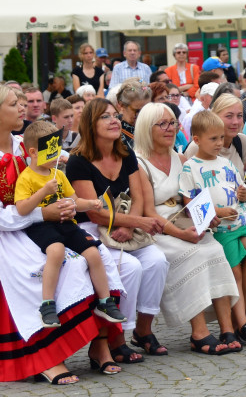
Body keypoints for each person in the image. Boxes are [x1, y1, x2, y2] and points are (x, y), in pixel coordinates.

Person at [0, 87, 126, 383]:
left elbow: (66, 160)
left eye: (22, 103)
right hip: (1, 235)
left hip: (41, 227)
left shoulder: (27, 144)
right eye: (14, 104)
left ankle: (99, 343)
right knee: (54, 267)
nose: (22, 108)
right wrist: (42, 213)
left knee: (94, 257)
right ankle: (45, 356)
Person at [132, 103, 246, 353]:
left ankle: (227, 329)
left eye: (173, 122)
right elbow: (149, 212)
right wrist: (181, 233)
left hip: (185, 216)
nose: (170, 128)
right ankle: (199, 333)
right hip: (158, 226)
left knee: (215, 250)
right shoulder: (139, 163)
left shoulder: (179, 156)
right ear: (146, 128)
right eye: (162, 124)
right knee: (195, 255)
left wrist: (207, 216)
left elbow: (194, 198)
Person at [65, 97, 171, 362]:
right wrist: (137, 223)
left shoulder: (125, 153)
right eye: (105, 116)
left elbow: (137, 197)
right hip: (90, 229)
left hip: (124, 225)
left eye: (115, 115)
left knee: (157, 261)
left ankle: (143, 331)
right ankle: (117, 338)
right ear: (91, 123)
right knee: (131, 267)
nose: (114, 120)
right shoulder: (78, 161)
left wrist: (129, 225)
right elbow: (93, 211)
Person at [14, 121, 125, 335]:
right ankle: (47, 304)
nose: (58, 154)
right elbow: (22, 209)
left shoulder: (59, 174)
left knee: (93, 252)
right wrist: (43, 191)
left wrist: (90, 203)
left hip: (67, 223)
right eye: (52, 150)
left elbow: (74, 200)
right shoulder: (27, 177)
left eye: (58, 149)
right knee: (55, 252)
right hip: (42, 226)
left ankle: (104, 301)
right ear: (34, 152)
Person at [177, 111, 246, 346]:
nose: (220, 143)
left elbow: (240, 189)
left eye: (221, 138)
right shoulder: (191, 167)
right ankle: (239, 323)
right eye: (213, 139)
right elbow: (189, 202)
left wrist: (243, 193)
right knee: (235, 273)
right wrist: (216, 212)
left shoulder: (227, 162)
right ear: (196, 140)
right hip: (222, 229)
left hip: (241, 221)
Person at [112, 79, 152, 154]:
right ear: (121, 105)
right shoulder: (113, 130)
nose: (142, 115)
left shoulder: (156, 126)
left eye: (146, 109)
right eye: (137, 111)